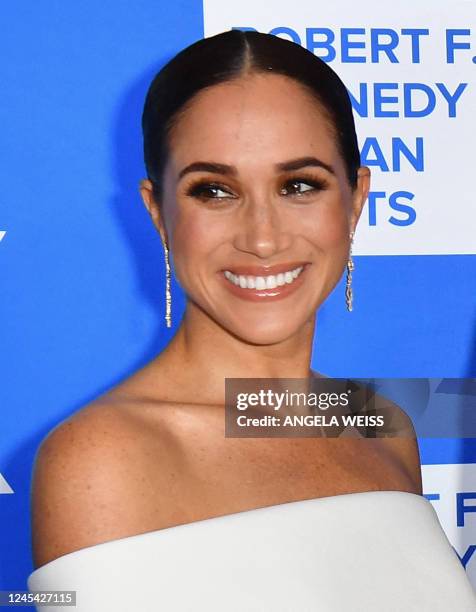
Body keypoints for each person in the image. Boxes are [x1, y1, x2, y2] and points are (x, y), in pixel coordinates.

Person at [27, 30, 475, 610]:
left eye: (299, 185)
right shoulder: (103, 457)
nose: (262, 238)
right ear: (157, 211)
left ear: (356, 199)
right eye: (214, 191)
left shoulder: (380, 426)